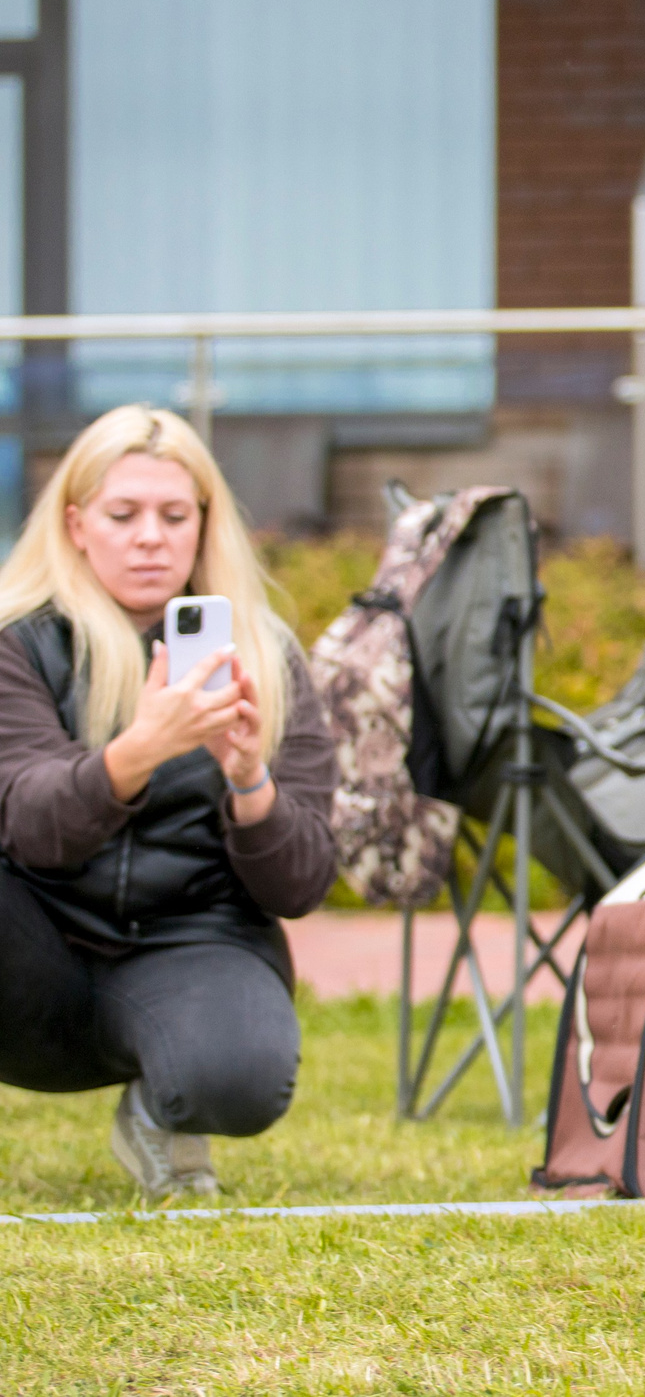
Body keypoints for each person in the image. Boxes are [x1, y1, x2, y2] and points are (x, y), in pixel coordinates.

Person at [0, 406, 337, 1197]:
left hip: (191, 940)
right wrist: (136, 752)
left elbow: (302, 883)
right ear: (78, 525)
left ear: (203, 526)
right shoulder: (19, 643)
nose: (150, 536)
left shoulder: (268, 655)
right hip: (36, 948)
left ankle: (161, 1109)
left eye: (173, 515)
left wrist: (250, 780)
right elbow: (29, 825)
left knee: (242, 1079)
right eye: (123, 515)